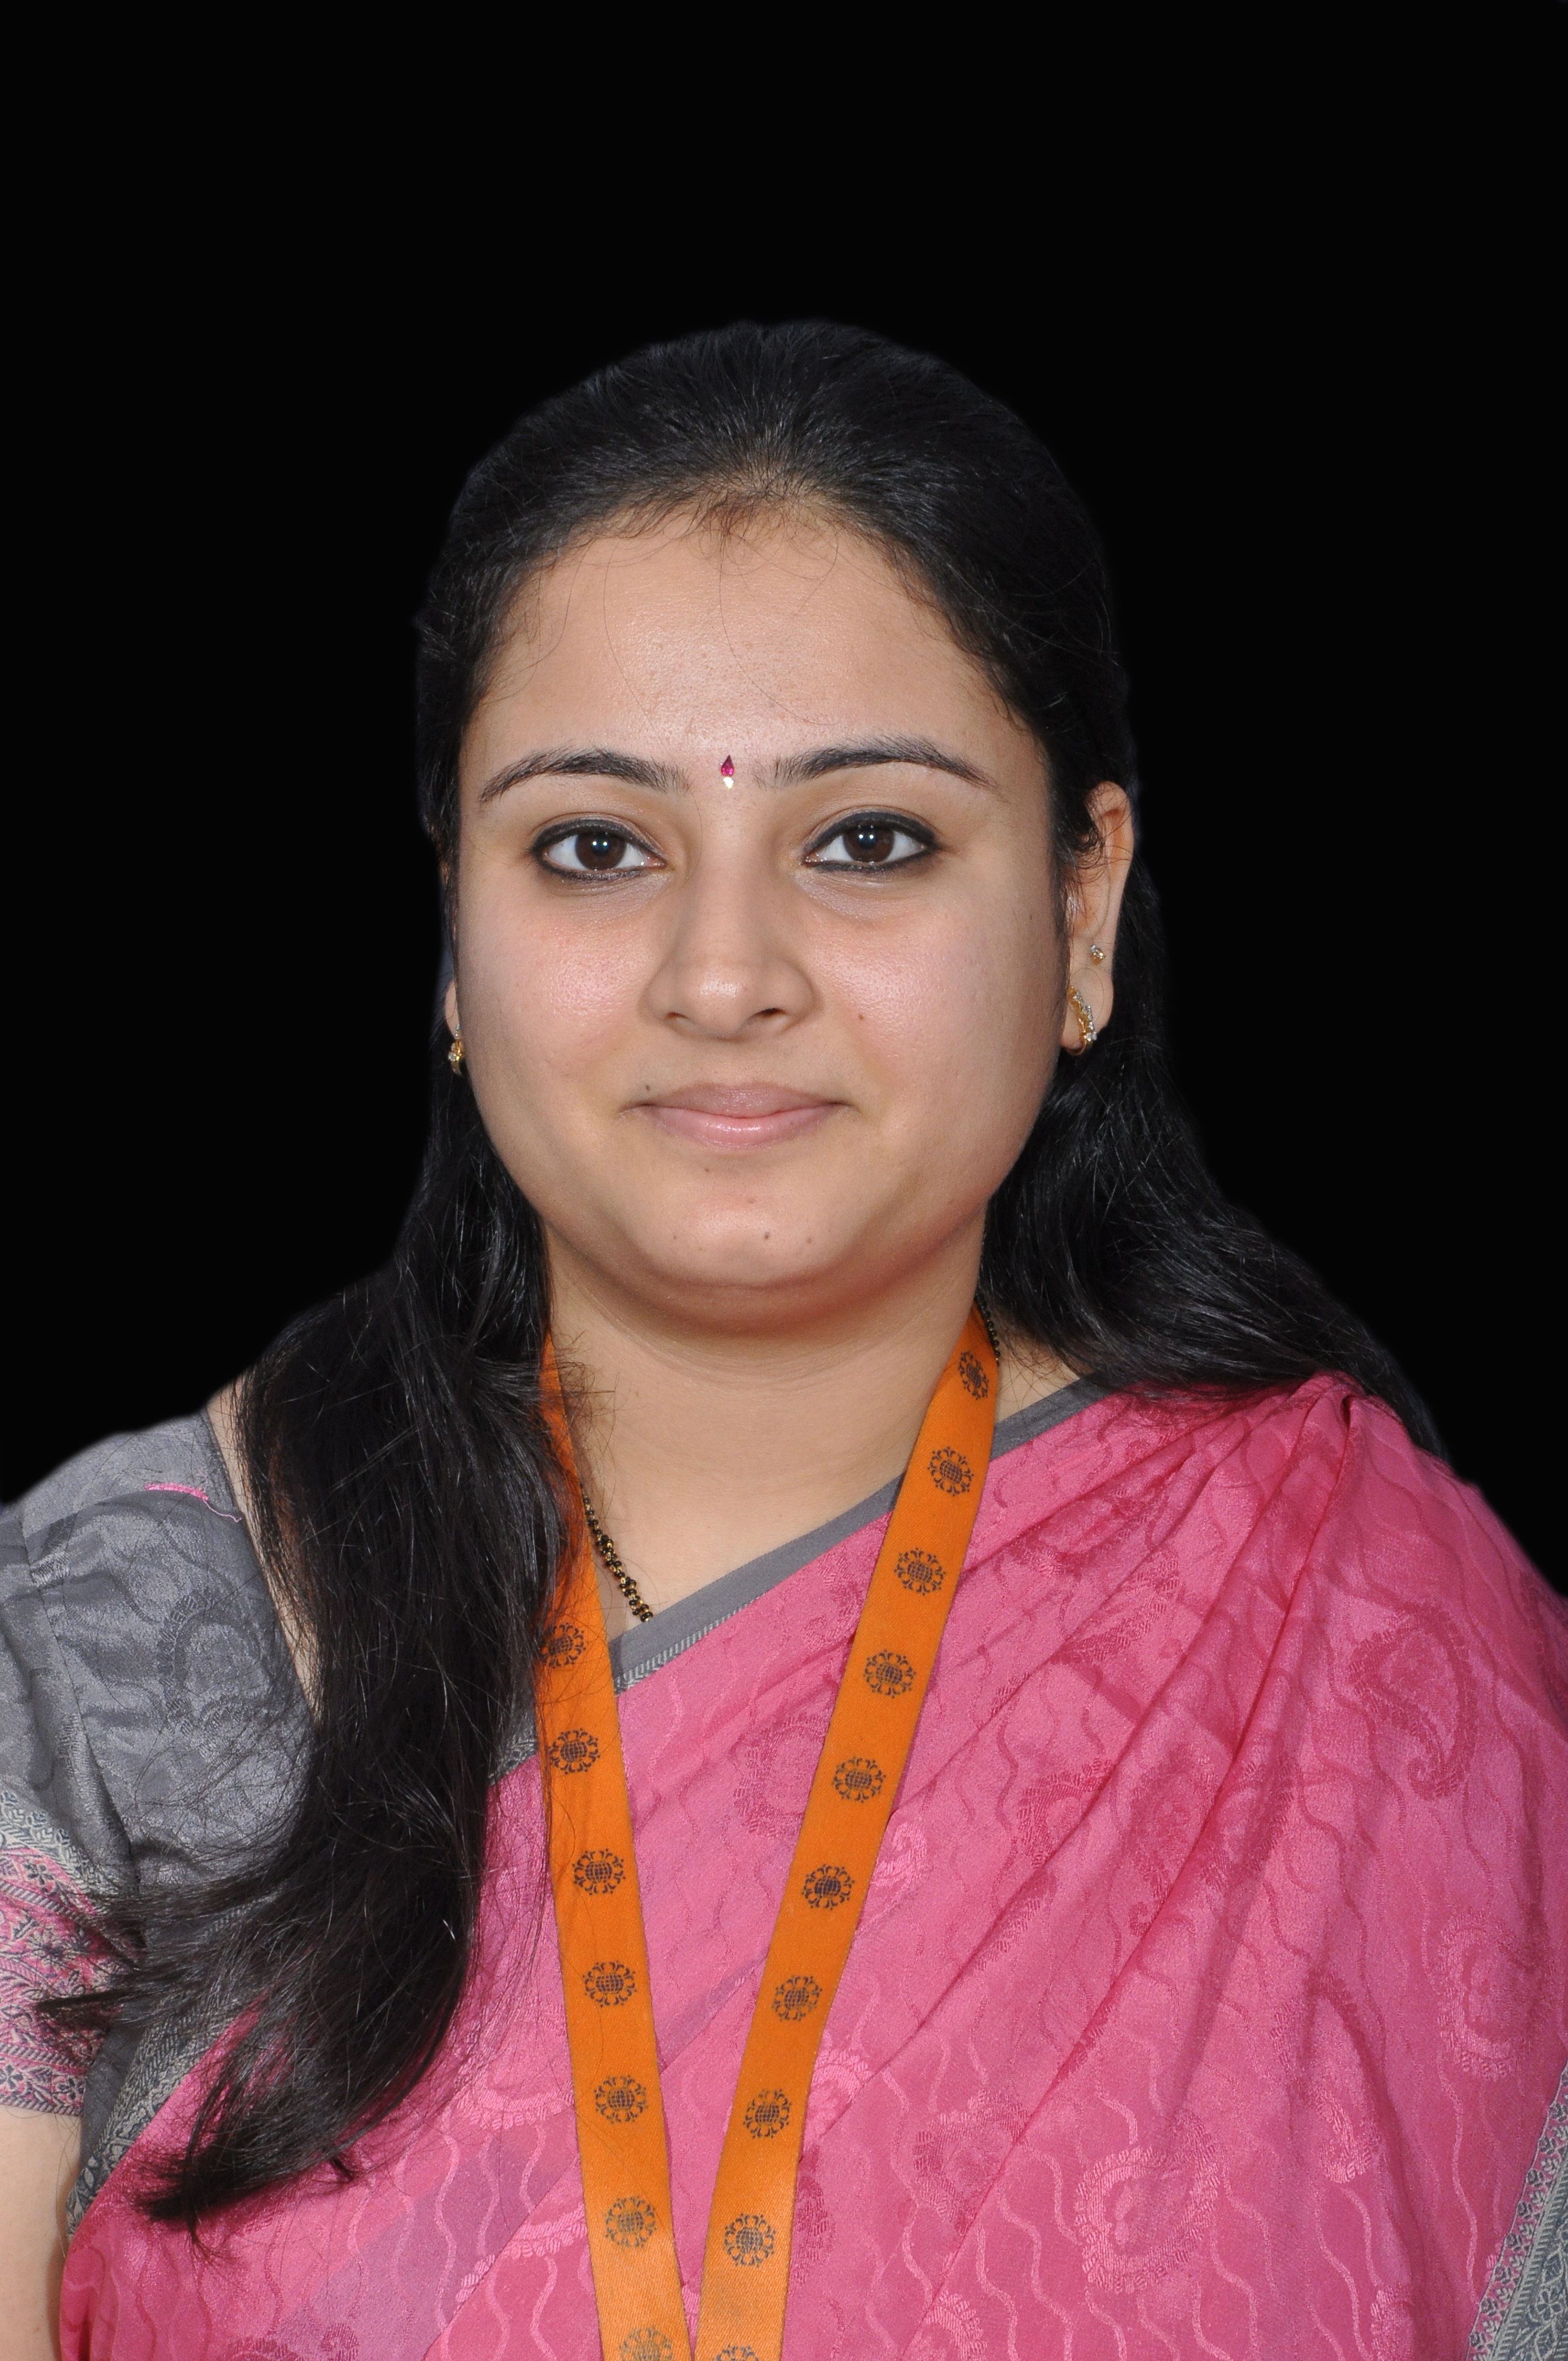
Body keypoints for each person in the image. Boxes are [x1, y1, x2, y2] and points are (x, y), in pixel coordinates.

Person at [2, 323, 1563, 2361]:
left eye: (869, 840)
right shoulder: (120, 1635)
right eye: (594, 846)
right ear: (454, 938)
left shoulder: (1387, 1642)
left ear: (1085, 910)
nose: (724, 974)